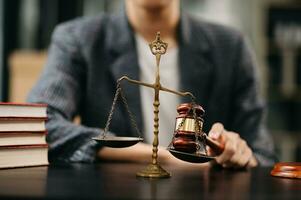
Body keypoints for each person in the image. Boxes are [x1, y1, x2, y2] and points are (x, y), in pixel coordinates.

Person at [27, 0, 276, 168]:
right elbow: (37, 125)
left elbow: (262, 155)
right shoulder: (79, 39)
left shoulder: (230, 47)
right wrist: (161, 159)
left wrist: (240, 155)